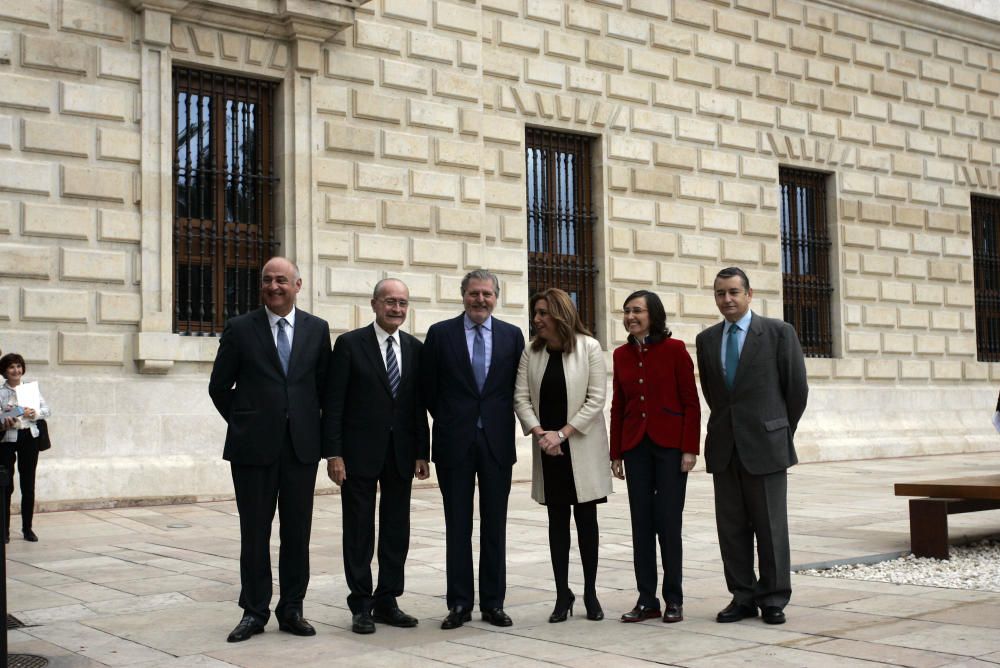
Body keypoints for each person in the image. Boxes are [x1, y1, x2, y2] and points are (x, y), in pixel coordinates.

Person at [209, 257, 331, 642]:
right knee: (255, 532)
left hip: (300, 449)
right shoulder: (240, 328)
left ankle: (292, 608)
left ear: (298, 284)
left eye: (282, 280)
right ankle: (254, 611)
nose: (274, 286)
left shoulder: (317, 329)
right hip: (252, 450)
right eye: (267, 280)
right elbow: (218, 386)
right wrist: (247, 421)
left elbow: (323, 389)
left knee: (297, 533)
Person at [695, 267, 808, 626]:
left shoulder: (778, 333)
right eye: (720, 293)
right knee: (731, 528)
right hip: (725, 447)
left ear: (749, 294)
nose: (726, 299)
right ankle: (742, 596)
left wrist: (776, 429)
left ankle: (774, 597)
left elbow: (796, 391)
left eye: (733, 292)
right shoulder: (707, 339)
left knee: (771, 527)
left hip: (766, 445)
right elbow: (715, 395)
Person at [324, 278, 430, 634]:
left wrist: (422, 452)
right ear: (374, 304)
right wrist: (333, 453)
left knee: (396, 529)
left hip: (401, 454)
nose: (396, 308)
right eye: (389, 302)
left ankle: (388, 600)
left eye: (402, 303)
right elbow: (334, 403)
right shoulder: (350, 345)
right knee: (358, 529)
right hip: (357, 455)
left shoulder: (415, 348)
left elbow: (417, 405)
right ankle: (361, 604)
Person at [421, 269, 525, 630]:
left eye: (487, 294)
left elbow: (518, 388)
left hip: (496, 443)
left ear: (497, 297)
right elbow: (429, 389)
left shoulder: (513, 337)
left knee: (494, 526)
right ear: (462, 295)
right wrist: (453, 419)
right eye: (474, 293)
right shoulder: (440, 334)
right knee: (458, 526)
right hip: (455, 442)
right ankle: (460, 603)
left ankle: (494, 603)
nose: (480, 300)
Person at [513, 288, 612, 623]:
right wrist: (541, 434)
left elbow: (596, 399)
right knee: (557, 523)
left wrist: (563, 433)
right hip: (549, 452)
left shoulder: (590, 347)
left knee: (587, 523)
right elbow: (521, 397)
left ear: (560, 315)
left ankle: (591, 593)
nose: (537, 320)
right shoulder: (532, 351)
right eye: (536, 313)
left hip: (580, 449)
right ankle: (562, 594)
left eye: (543, 313)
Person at [610, 290, 700, 624]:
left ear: (653, 315)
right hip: (635, 447)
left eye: (638, 311)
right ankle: (647, 599)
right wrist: (615, 451)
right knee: (641, 525)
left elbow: (691, 402)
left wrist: (690, 447)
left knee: (668, 523)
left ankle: (673, 598)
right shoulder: (620, 355)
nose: (631, 316)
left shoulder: (675, 350)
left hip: (671, 448)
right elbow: (619, 404)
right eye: (627, 311)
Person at [0, 352, 51, 544]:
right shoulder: (0, 392)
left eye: (19, 366)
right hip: (7, 439)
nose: (16, 370)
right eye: (12, 367)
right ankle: (4, 530)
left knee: (28, 484)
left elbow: (47, 410)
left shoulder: (31, 390)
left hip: (29, 438)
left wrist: (34, 413)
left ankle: (27, 528)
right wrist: (12, 413)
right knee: (6, 486)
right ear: (5, 371)